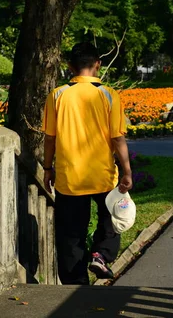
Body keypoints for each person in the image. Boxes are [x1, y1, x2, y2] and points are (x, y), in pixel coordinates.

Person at [42, 42, 133, 285]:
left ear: (70, 66)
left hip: (69, 178)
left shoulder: (57, 95)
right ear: (97, 65)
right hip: (102, 175)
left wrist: (47, 168)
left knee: (71, 235)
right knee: (112, 221)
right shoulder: (109, 94)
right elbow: (117, 137)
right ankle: (101, 255)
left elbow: (49, 138)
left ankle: (76, 285)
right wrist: (127, 170)